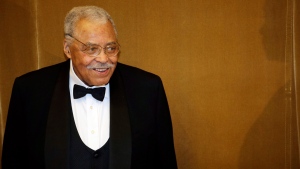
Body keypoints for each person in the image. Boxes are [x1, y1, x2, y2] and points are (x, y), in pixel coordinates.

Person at [2, 6, 177, 169]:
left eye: (110, 48)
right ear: (67, 49)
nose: (103, 58)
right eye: (92, 49)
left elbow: (165, 161)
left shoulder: (147, 90)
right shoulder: (29, 91)